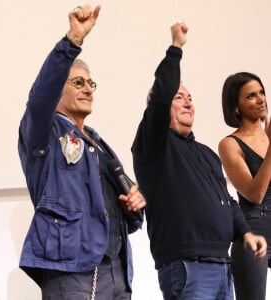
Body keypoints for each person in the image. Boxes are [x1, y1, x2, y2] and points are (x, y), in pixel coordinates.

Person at [131, 21, 267, 300]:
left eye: (190, 98)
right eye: (179, 98)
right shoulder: (154, 144)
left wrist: (246, 233)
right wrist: (176, 48)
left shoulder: (206, 153)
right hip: (187, 267)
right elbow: (160, 96)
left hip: (221, 266)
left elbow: (228, 201)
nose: (188, 103)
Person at [18, 4, 146, 300]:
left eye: (91, 84)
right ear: (57, 91)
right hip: (72, 270)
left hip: (117, 269)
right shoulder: (44, 131)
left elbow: (113, 203)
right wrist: (72, 42)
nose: (88, 89)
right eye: (78, 82)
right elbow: (40, 96)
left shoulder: (99, 142)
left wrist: (134, 204)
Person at [218, 72, 271, 300]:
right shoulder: (229, 144)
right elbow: (254, 194)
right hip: (254, 231)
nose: (260, 99)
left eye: (261, 93)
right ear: (236, 107)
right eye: (251, 96)